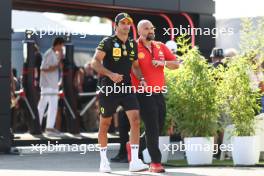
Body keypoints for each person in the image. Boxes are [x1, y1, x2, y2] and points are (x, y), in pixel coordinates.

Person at [90, 12, 148, 173]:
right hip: (108, 88)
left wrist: (141, 78)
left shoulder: (132, 44)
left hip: (127, 88)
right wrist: (110, 74)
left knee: (135, 120)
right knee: (105, 124)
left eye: (128, 23)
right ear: (116, 26)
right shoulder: (107, 42)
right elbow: (94, 62)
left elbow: (135, 66)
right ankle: (103, 162)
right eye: (123, 23)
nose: (126, 26)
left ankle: (135, 161)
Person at [131, 20, 180, 173]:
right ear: (140, 31)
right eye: (146, 28)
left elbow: (176, 64)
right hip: (141, 92)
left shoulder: (160, 46)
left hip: (158, 91)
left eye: (152, 28)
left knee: (158, 124)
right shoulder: (133, 46)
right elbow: (132, 67)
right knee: (152, 124)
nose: (150, 30)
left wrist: (163, 62)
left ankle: (134, 149)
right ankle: (155, 163)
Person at [38, 37, 65, 136]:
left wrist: (60, 59)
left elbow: (58, 67)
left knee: (53, 106)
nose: (62, 47)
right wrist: (56, 65)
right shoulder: (49, 53)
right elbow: (43, 68)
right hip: (47, 85)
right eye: (62, 45)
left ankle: (49, 128)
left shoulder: (55, 54)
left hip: (53, 85)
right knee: (42, 106)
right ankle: (37, 126)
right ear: (58, 44)